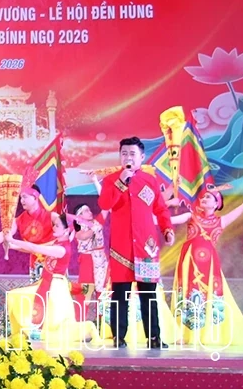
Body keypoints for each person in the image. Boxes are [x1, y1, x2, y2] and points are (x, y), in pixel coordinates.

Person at [97, 136, 174, 349]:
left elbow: (160, 208)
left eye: (132, 154)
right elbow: (105, 203)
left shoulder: (150, 180)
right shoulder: (112, 180)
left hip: (146, 246)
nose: (128, 157)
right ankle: (118, 337)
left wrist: (167, 228)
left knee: (148, 293)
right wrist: (122, 181)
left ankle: (154, 337)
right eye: (124, 154)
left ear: (141, 157)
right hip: (121, 246)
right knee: (119, 294)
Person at [170, 181, 243, 346]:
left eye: (210, 197)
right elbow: (171, 220)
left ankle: (208, 333)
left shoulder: (221, 221)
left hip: (209, 266)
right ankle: (184, 333)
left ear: (217, 204)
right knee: (187, 293)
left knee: (210, 295)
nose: (205, 198)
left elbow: (242, 208)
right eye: (204, 196)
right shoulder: (191, 216)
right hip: (189, 263)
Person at [3, 213, 99, 347]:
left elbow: (36, 248)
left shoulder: (61, 249)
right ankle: (23, 333)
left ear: (66, 230)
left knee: (54, 327)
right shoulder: (56, 243)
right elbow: (33, 248)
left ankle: (88, 328)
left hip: (56, 288)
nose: (53, 227)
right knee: (15, 296)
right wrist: (12, 246)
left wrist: (12, 240)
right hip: (48, 284)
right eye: (54, 224)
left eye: (57, 225)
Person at [72, 203, 108, 321]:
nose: (90, 212)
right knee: (85, 291)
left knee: (102, 292)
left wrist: (96, 183)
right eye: (86, 211)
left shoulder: (96, 222)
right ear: (80, 215)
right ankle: (79, 323)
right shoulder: (78, 227)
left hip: (101, 260)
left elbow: (106, 206)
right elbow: (83, 236)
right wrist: (94, 227)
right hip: (87, 260)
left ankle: (103, 323)